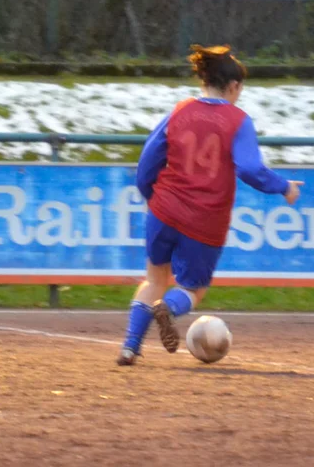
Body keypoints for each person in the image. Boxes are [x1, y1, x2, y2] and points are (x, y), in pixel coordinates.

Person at [117, 45, 302, 366]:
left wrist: (152, 198)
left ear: (204, 81)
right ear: (234, 86)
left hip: (164, 211)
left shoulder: (179, 111)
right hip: (204, 220)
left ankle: (129, 348)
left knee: (154, 279)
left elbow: (147, 161)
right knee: (193, 288)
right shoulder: (238, 120)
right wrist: (283, 186)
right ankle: (169, 308)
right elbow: (249, 168)